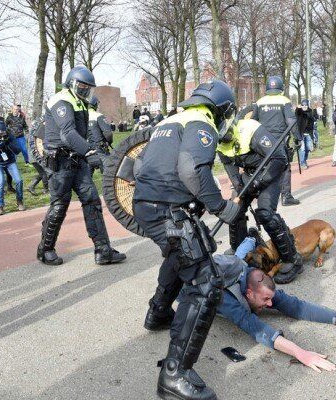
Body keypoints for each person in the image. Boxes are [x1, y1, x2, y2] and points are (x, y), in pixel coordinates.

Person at [133, 80, 241, 400]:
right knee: (206, 282)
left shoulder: (167, 123)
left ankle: (159, 312)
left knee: (180, 255)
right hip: (168, 210)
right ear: (219, 109)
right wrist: (220, 206)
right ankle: (175, 375)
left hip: (147, 205)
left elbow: (140, 167)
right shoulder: (201, 122)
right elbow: (192, 168)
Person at [217, 237, 336, 372]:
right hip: (204, 284)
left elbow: (297, 306)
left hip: (235, 263)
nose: (269, 304)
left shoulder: (250, 275)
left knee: (239, 257)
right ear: (249, 294)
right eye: (265, 300)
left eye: (270, 299)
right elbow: (258, 330)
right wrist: (301, 353)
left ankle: (250, 239)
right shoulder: (228, 299)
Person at [37, 65, 126, 266]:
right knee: (59, 205)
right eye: (82, 87)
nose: (86, 91)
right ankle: (45, 249)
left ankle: (103, 250)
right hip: (60, 162)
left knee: (92, 201)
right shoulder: (61, 100)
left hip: (77, 160)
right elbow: (67, 133)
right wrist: (89, 151)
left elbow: (81, 132)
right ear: (71, 84)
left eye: (88, 88)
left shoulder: (79, 102)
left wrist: (87, 152)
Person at [217, 118, 303, 284]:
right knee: (234, 211)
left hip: (270, 171)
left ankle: (292, 259)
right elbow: (231, 170)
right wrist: (239, 187)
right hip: (249, 174)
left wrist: (258, 183)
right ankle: (239, 253)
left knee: (265, 214)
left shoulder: (250, 129)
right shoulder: (218, 141)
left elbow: (279, 158)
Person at [251, 76, 301, 206]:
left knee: (264, 167)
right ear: (281, 88)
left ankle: (264, 197)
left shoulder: (259, 101)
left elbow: (253, 121)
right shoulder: (284, 100)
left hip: (262, 141)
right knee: (284, 167)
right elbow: (291, 122)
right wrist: (298, 138)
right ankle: (286, 196)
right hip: (280, 139)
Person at [0, 120, 24, 215]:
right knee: (1, 182)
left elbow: (18, 150)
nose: (1, 134)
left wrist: (7, 142)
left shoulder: (10, 134)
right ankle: (0, 206)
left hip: (10, 161)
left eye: (2, 132)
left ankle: (19, 201)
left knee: (19, 180)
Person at [87, 95, 113, 169]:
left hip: (86, 151)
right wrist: (109, 142)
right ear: (95, 104)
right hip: (100, 150)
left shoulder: (81, 117)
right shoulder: (98, 116)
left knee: (86, 178)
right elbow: (108, 133)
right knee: (110, 172)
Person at [27, 118, 49, 195]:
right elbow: (35, 146)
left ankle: (31, 186)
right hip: (35, 156)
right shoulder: (36, 133)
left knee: (41, 172)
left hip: (32, 156)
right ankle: (46, 189)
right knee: (44, 172)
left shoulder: (32, 132)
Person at [295, 99, 316, 169]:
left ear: (307, 105)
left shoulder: (310, 112)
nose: (304, 106)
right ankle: (302, 163)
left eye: (305, 105)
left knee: (308, 149)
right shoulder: (299, 112)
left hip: (308, 133)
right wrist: (298, 108)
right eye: (303, 105)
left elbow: (311, 119)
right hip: (301, 133)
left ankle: (304, 160)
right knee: (302, 149)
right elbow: (297, 113)